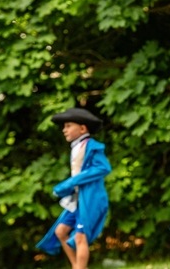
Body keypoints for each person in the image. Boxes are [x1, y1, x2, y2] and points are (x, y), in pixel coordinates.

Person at [36, 108, 112, 269]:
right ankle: (77, 266)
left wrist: (70, 183)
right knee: (60, 232)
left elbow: (103, 168)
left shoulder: (92, 146)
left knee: (80, 238)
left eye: (69, 125)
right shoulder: (76, 147)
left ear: (83, 128)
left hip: (91, 200)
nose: (64, 130)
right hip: (77, 201)